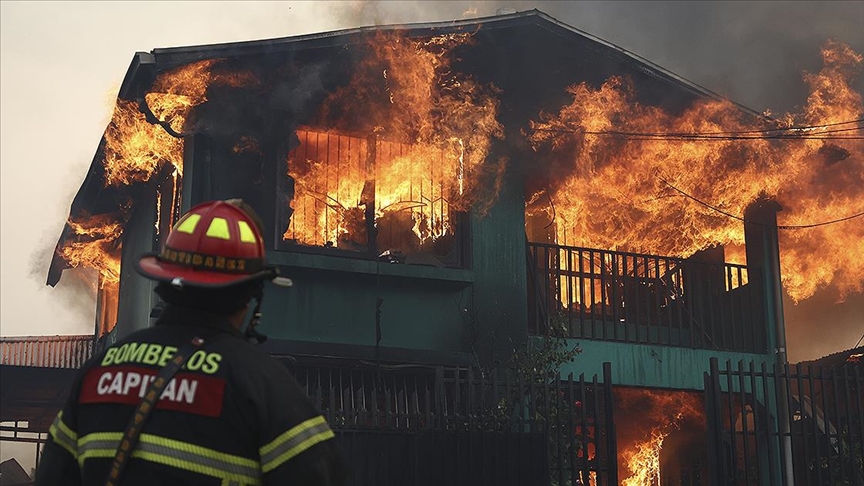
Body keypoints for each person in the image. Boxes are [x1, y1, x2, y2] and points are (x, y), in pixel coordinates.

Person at [36, 199, 348, 485]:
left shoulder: (100, 372)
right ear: (250, 295)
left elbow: (54, 475)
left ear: (165, 281)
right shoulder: (264, 387)